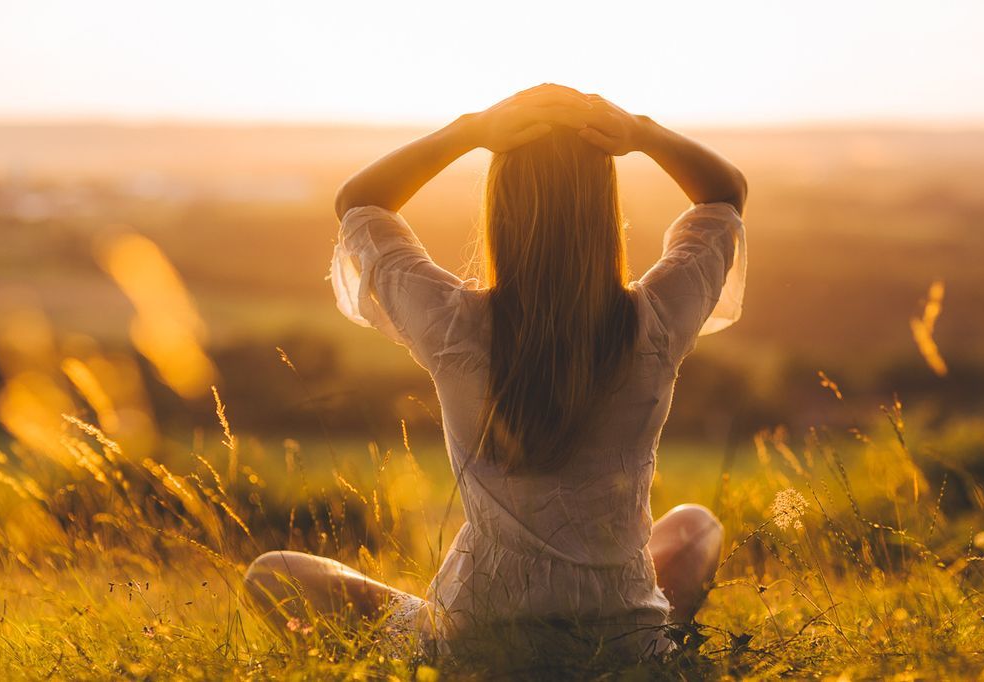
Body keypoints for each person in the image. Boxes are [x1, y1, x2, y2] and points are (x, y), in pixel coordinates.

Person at [244, 83, 747, 663]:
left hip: (473, 647)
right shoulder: (654, 323)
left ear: (499, 210)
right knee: (696, 528)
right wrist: (643, 132)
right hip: (623, 646)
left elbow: (359, 202)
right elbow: (724, 195)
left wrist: (468, 130)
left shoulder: (455, 327)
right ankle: (630, 641)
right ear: (608, 213)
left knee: (272, 574)